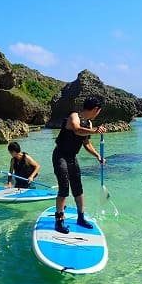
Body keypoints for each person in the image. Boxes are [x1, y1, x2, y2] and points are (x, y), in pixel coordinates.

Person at [52, 96, 106, 234]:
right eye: (99, 111)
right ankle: (59, 222)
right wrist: (94, 131)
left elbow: (86, 143)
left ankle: (81, 218)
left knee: (78, 188)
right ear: (96, 109)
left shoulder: (89, 123)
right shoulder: (74, 116)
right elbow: (76, 129)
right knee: (64, 187)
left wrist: (98, 156)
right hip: (60, 156)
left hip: (71, 157)